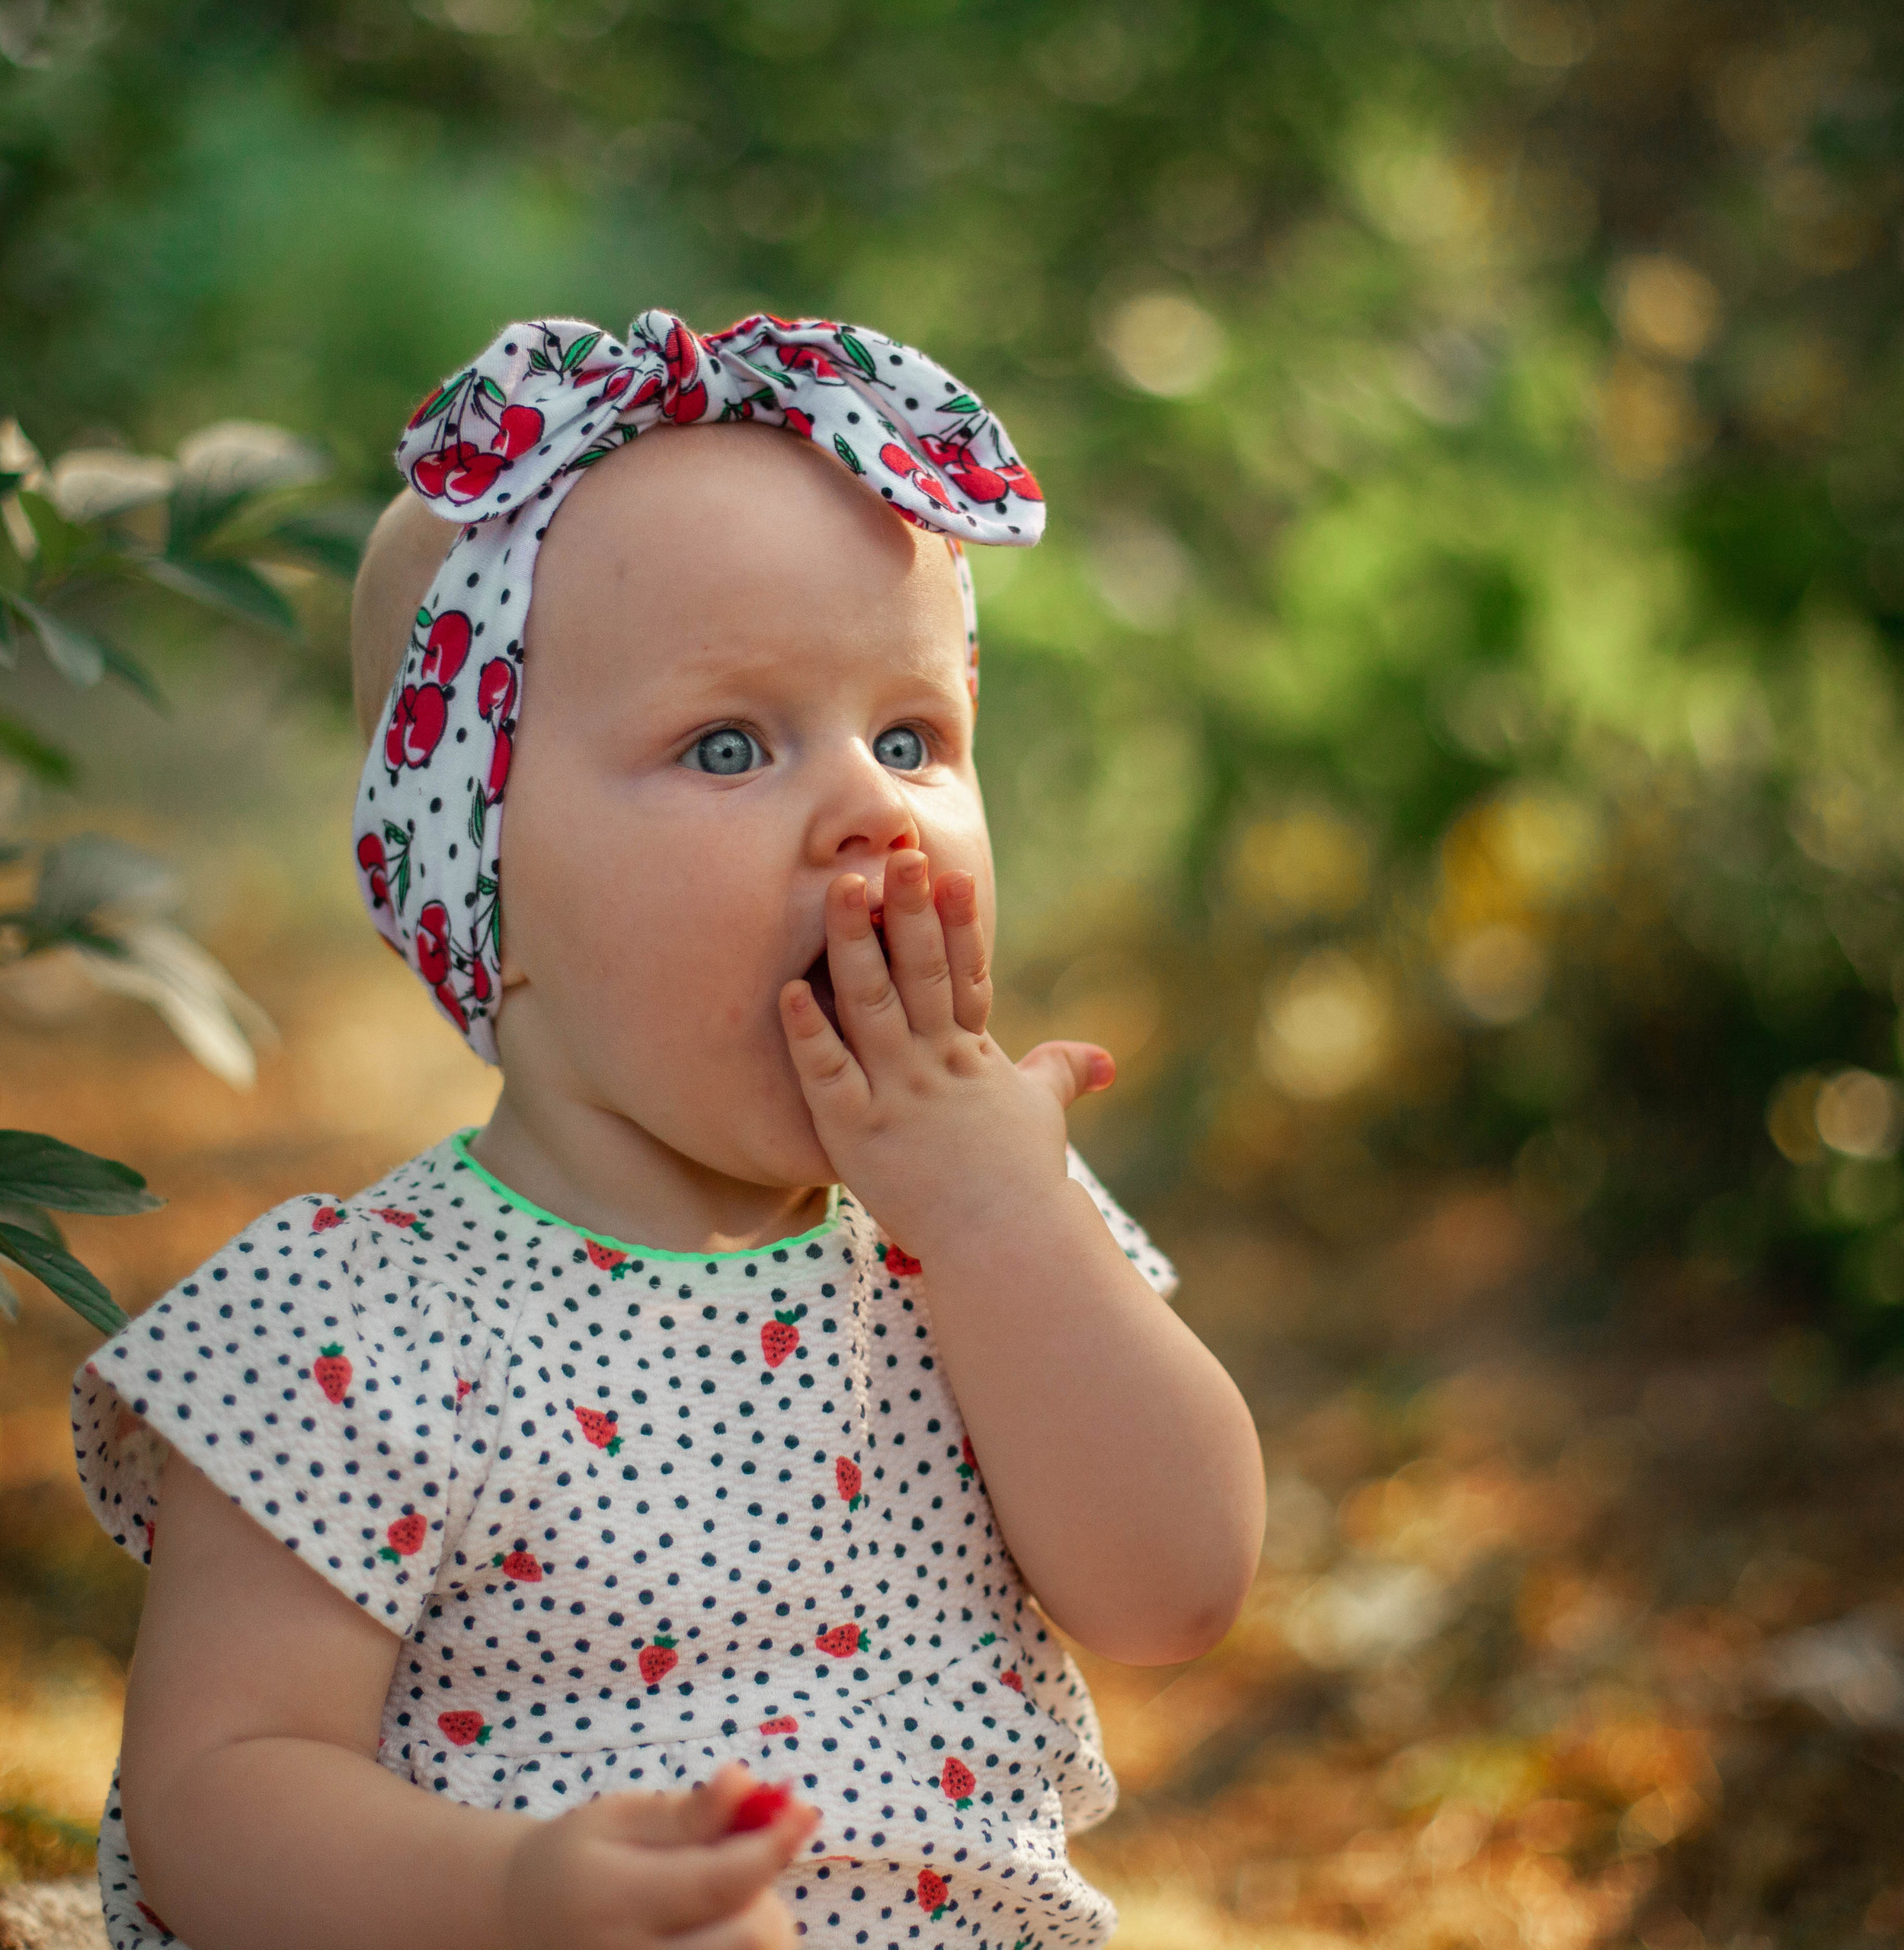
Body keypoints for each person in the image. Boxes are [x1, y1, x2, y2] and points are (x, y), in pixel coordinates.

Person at [72, 309, 1265, 1950]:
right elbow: (216, 1796)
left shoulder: (986, 1234)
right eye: (727, 745)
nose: (874, 807)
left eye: (911, 737)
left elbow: (1176, 1587)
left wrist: (1001, 1221)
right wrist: (515, 1899)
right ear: (481, 883)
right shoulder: (360, 1326)